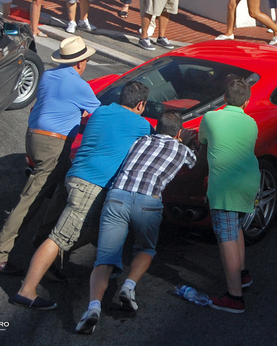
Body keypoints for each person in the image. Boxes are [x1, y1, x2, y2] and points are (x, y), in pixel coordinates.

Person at [13, 81, 153, 310]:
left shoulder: (102, 111)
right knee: (59, 237)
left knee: (84, 228)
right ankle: (26, 290)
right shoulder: (141, 125)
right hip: (92, 185)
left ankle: (50, 265)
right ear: (141, 104)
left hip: (73, 175)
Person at [0, 37, 100, 276]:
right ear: (80, 63)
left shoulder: (48, 76)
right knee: (31, 197)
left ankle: (43, 238)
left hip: (34, 138)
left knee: (62, 187)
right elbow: (100, 116)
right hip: (53, 145)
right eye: (86, 60)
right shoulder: (79, 85)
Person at [75, 111, 197, 334]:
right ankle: (129, 286)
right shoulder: (182, 150)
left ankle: (93, 307)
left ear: (157, 127)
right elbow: (193, 164)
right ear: (178, 132)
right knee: (145, 248)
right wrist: (185, 142)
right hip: (148, 203)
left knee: (105, 257)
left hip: (118, 197)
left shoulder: (140, 140)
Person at [198, 79, 260, 314]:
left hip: (225, 187)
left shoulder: (211, 118)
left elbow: (203, 141)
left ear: (224, 98)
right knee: (235, 228)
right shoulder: (252, 122)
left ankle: (235, 297)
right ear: (247, 102)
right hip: (250, 184)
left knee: (226, 238)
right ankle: (243, 275)